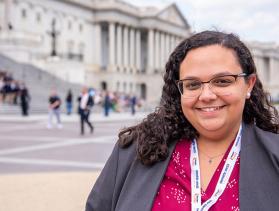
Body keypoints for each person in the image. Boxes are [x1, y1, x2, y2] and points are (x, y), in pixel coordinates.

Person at [85, 31, 279, 211]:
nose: (207, 95)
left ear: (249, 84)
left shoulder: (274, 154)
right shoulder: (135, 149)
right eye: (193, 84)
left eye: (222, 81)